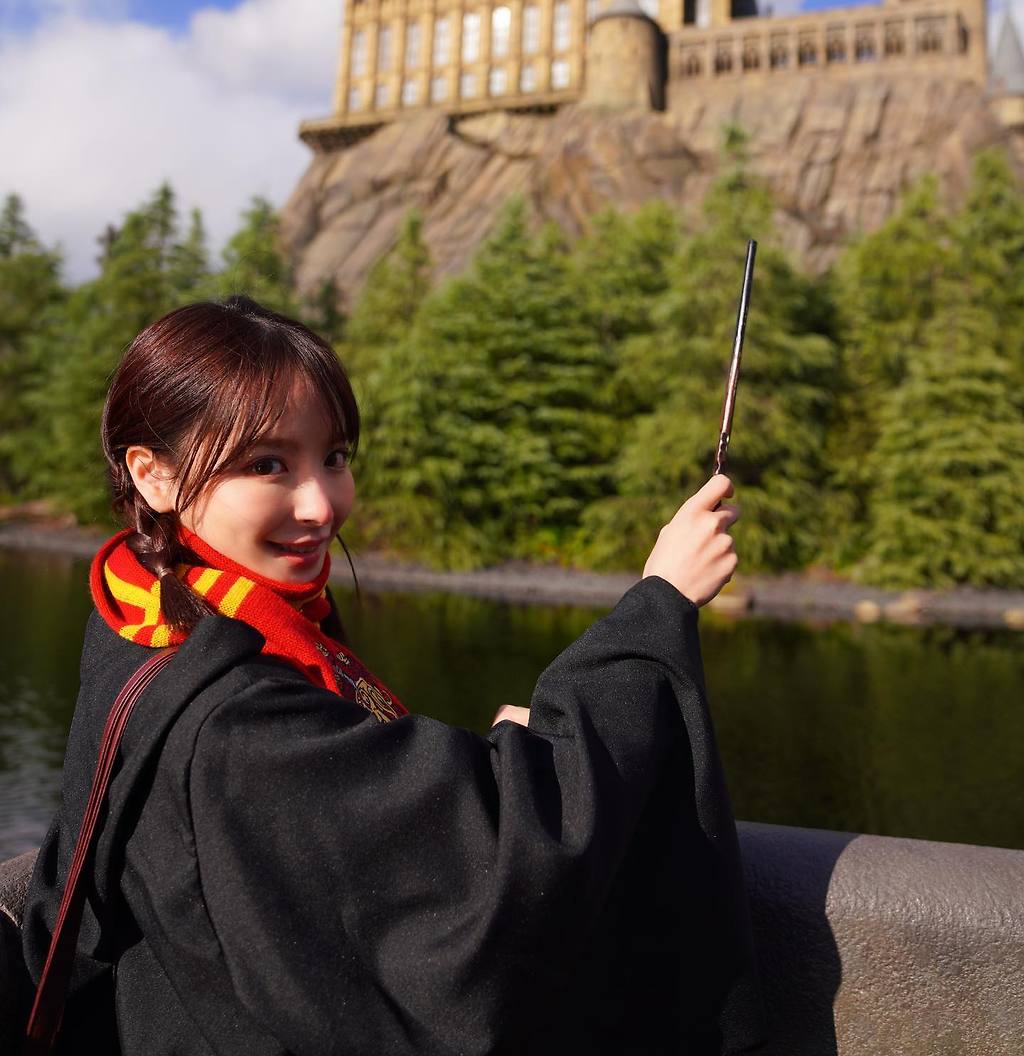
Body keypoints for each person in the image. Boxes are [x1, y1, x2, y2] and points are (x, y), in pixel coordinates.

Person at [22, 295, 765, 1055]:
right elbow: (490, 875)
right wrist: (659, 603)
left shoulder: (143, 613)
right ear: (153, 475)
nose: (321, 505)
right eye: (267, 464)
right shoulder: (233, 719)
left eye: (334, 458)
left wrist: (511, 755)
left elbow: (361, 803)